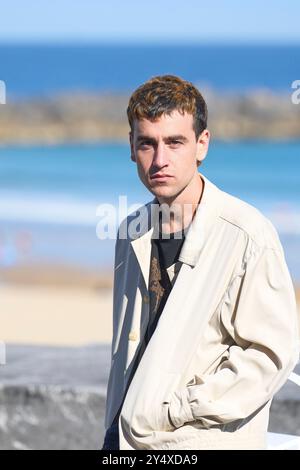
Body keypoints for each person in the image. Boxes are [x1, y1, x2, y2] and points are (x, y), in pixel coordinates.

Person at [101, 75, 299, 450]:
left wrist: (172, 410)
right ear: (131, 146)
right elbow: (129, 347)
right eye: (147, 143)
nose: (160, 160)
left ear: (202, 144)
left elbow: (270, 357)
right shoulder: (131, 232)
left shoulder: (248, 234)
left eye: (175, 142)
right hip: (122, 438)